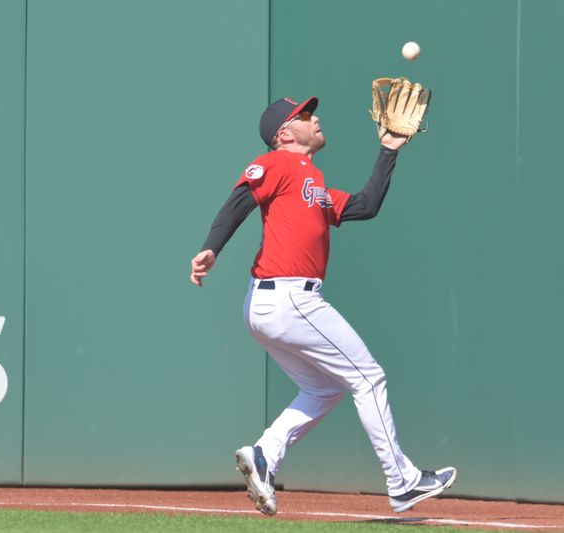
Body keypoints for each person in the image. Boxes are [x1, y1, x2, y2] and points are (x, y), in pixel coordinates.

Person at [189, 95, 456, 515]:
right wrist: (212, 248)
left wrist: (388, 150)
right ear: (284, 133)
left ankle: (264, 454)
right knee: (368, 378)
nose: (315, 120)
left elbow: (365, 206)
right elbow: (240, 199)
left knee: (326, 387)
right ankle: (401, 481)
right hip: (290, 298)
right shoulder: (277, 163)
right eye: (305, 116)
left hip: (273, 303)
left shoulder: (310, 180)